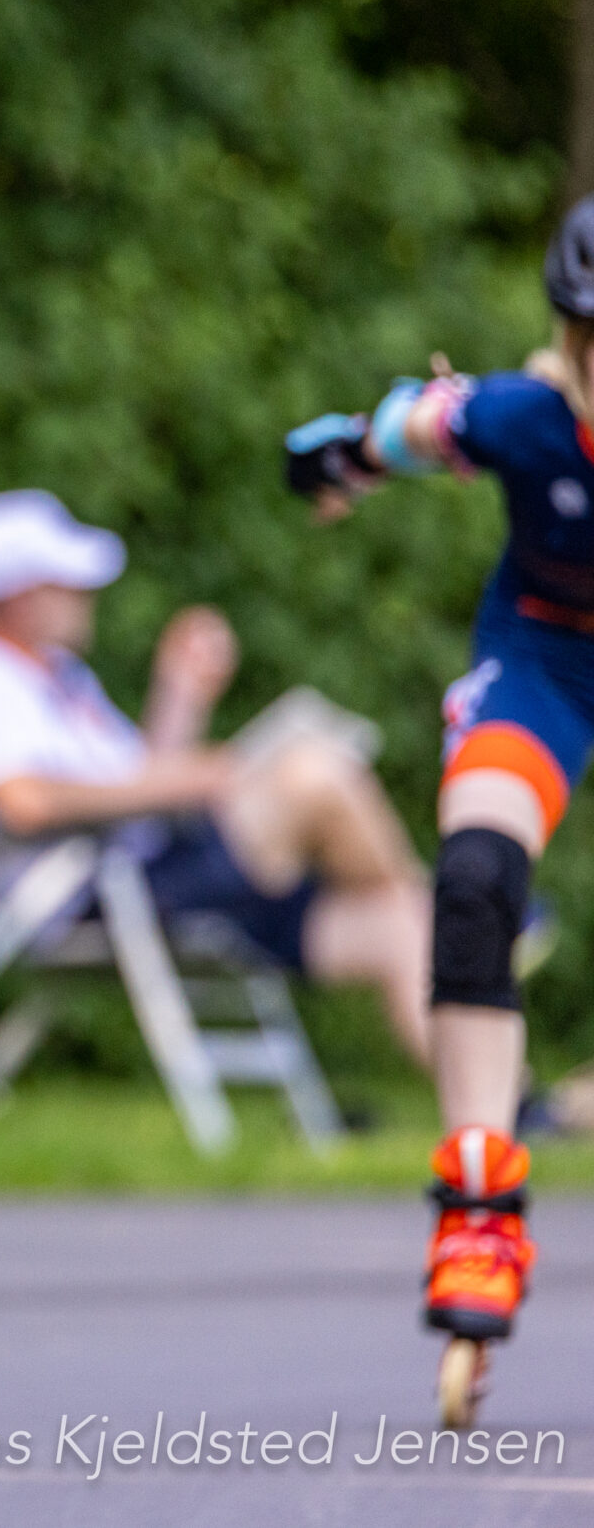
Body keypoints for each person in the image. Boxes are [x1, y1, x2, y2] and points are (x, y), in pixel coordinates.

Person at [279, 198, 594, 1419]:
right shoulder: (521, 418)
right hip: (547, 662)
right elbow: (404, 429)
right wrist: (339, 460)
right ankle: (477, 1205)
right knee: (469, 885)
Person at [0, 489, 434, 1066]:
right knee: (317, 776)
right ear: (18, 595)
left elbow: (134, 781)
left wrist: (182, 691)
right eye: (70, 584)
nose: (86, 596)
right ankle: (455, 910)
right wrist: (195, 780)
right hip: (98, 893)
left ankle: (491, 1099)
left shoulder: (56, 674)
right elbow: (22, 801)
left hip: (146, 873)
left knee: (402, 924)